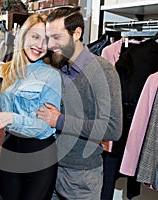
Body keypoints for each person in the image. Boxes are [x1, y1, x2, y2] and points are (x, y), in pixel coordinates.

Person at [37, 6, 123, 199]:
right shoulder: (58, 67)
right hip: (50, 169)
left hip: (80, 176)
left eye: (57, 37)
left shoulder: (102, 71)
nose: (50, 45)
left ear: (77, 33)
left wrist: (59, 120)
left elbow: (112, 128)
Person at [0, 13, 61, 200]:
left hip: (40, 154)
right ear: (23, 35)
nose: (40, 45)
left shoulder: (51, 76)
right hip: (10, 150)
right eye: (35, 37)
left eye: (45, 40)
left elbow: (43, 127)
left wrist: (10, 118)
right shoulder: (3, 71)